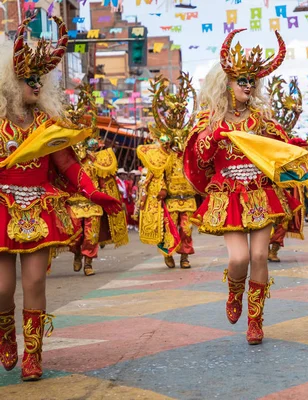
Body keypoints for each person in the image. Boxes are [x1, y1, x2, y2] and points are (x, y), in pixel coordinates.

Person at [0, 16, 121, 381]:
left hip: (40, 206)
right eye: (28, 79)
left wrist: (95, 191)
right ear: (9, 84)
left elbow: (67, 163)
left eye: (40, 79)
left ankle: (33, 355)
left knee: (35, 282)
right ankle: (6, 335)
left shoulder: (48, 124)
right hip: (3, 208)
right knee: (2, 287)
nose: (35, 84)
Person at [183, 29, 300, 345]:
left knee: (259, 255)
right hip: (228, 195)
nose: (248, 85)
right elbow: (202, 159)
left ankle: (255, 321)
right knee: (239, 259)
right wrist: (215, 137)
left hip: (260, 193)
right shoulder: (211, 121)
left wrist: (300, 146)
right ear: (226, 85)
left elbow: (281, 148)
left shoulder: (262, 120)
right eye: (241, 80)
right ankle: (235, 291)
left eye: (252, 81)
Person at [137, 74, 198, 268]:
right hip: (170, 197)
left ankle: (185, 257)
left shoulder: (187, 152)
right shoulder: (165, 153)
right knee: (169, 228)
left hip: (187, 197)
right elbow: (158, 173)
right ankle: (168, 252)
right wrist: (161, 189)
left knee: (186, 229)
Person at [67, 85, 129, 276]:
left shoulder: (98, 160)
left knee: (91, 235)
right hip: (75, 203)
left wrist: (109, 198)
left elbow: (104, 182)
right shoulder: (69, 160)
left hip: (93, 204)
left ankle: (88, 262)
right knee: (75, 235)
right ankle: (77, 253)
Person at [266, 76, 305, 262]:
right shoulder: (262, 137)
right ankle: (262, 248)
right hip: (263, 186)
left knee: (283, 218)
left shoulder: (282, 137)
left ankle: (273, 249)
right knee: (263, 220)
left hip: (282, 187)